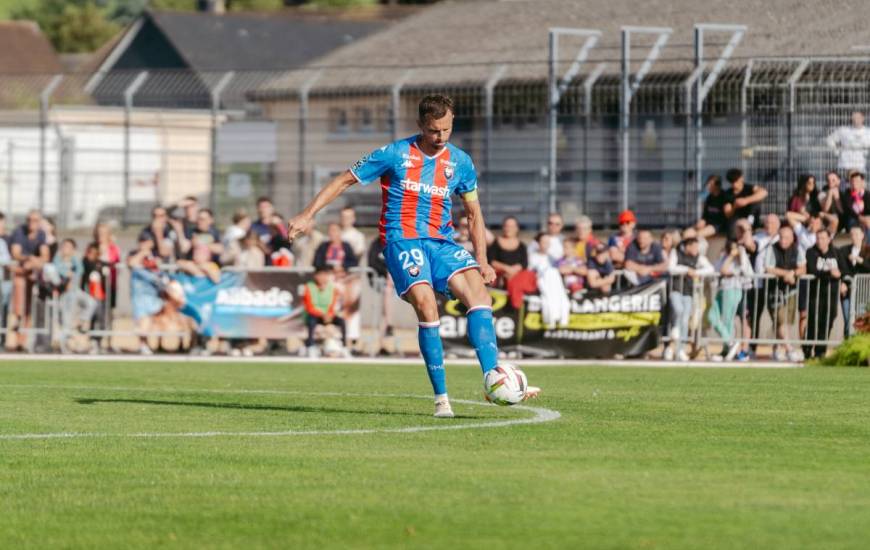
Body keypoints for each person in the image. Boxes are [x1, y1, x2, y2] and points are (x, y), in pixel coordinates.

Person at [286, 93, 539, 417]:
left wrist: (483, 259)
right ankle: (441, 399)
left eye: (446, 130)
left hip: (441, 242)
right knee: (426, 302)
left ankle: (493, 377)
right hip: (402, 241)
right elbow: (345, 179)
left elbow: (474, 214)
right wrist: (309, 214)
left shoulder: (461, 162)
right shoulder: (395, 154)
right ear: (421, 125)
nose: (441, 137)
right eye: (434, 130)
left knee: (478, 293)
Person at [665, 236, 713, 361]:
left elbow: (710, 269)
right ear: (687, 246)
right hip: (676, 289)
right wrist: (687, 270)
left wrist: (697, 272)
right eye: (694, 246)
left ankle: (680, 349)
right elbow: (671, 268)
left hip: (688, 292)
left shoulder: (699, 257)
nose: (697, 249)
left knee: (685, 320)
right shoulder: (676, 253)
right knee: (678, 310)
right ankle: (673, 337)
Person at [7, 210, 50, 351]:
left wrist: (33, 262)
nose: (32, 223)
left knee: (29, 310)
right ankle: (13, 337)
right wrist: (29, 259)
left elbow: (45, 256)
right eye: (30, 220)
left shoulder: (41, 234)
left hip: (31, 274)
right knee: (19, 307)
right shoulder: (19, 232)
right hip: (18, 274)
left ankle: (22, 341)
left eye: (36, 220)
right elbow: (16, 253)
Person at [764, 226, 806, 362]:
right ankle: (789, 349)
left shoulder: (797, 249)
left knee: (785, 323)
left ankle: (777, 348)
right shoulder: (772, 248)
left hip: (791, 291)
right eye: (781, 237)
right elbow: (769, 268)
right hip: (775, 292)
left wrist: (793, 273)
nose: (783, 240)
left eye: (786, 237)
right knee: (781, 320)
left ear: (792, 238)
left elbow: (803, 268)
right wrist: (785, 274)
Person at [707, 240, 754, 361]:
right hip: (722, 290)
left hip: (733, 290)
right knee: (712, 316)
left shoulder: (740, 260)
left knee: (728, 321)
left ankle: (733, 351)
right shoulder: (724, 256)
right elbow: (717, 269)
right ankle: (731, 345)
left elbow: (724, 270)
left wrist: (733, 255)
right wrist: (728, 255)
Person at [803, 229, 843, 359]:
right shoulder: (811, 252)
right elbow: (813, 270)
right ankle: (808, 350)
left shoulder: (836, 253)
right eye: (818, 238)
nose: (820, 241)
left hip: (831, 294)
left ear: (828, 239)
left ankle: (820, 351)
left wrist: (844, 282)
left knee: (827, 322)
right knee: (813, 321)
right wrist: (830, 273)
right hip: (815, 294)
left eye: (822, 238)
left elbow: (844, 270)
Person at [45, 238, 98, 336]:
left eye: (69, 247)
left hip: (75, 291)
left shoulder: (76, 262)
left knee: (91, 302)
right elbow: (55, 272)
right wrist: (66, 273)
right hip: (63, 294)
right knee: (66, 318)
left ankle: (81, 322)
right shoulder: (56, 262)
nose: (66, 249)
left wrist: (71, 272)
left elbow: (79, 272)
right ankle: (64, 340)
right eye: (64, 246)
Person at [302, 266, 347, 357]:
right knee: (311, 321)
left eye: (325, 275)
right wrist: (322, 314)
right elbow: (309, 307)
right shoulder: (309, 287)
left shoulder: (332, 288)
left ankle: (344, 346)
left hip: (327, 315)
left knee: (342, 321)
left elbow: (332, 304)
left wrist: (329, 315)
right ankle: (310, 346)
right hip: (314, 315)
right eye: (320, 275)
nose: (322, 277)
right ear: (316, 276)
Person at [528, 233, 570, 327]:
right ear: (538, 243)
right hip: (542, 284)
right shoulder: (532, 257)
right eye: (544, 242)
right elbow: (531, 272)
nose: (546, 244)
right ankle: (550, 319)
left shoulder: (552, 257)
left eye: (548, 242)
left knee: (563, 300)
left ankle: (561, 319)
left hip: (555, 285)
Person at [838, 226, 870, 336]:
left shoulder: (868, 250)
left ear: (862, 235)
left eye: (856, 234)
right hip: (847, 291)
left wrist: (859, 259)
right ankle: (847, 346)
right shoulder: (843, 250)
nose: (854, 237)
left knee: (861, 322)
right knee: (848, 321)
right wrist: (843, 282)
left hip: (863, 292)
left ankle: (859, 347)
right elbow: (842, 269)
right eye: (852, 234)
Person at [723, 168, 768, 233]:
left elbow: (764, 192)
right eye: (732, 182)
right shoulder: (728, 194)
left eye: (736, 181)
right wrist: (735, 207)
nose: (735, 184)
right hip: (736, 219)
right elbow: (728, 214)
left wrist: (746, 200)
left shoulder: (749, 188)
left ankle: (751, 226)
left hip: (751, 217)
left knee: (756, 202)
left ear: (741, 178)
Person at [826, 111, 870, 176]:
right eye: (854, 118)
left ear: (863, 118)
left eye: (858, 118)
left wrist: (866, 152)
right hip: (845, 163)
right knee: (844, 184)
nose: (856, 120)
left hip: (860, 164)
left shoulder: (868, 132)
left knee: (858, 183)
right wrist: (837, 152)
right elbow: (829, 140)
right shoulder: (843, 130)